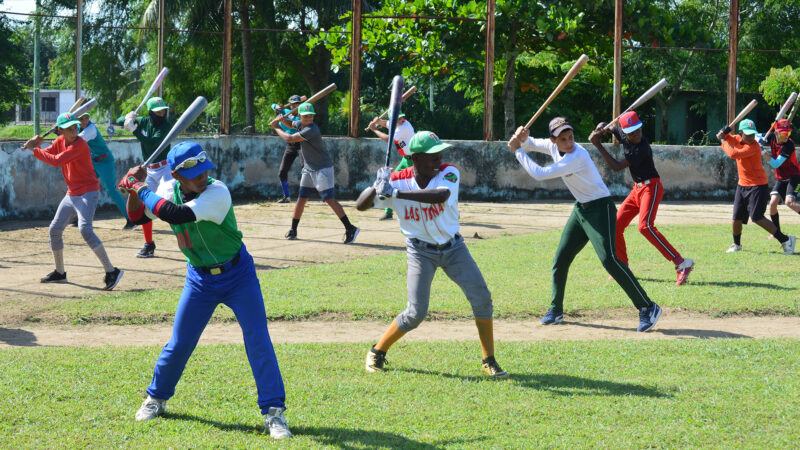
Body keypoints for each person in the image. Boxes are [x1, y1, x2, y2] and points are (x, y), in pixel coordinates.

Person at [120, 141, 291, 439]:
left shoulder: (217, 191)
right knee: (180, 343)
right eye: (194, 175)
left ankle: (274, 412)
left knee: (258, 340)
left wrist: (138, 186)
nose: (202, 177)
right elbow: (136, 218)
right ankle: (156, 398)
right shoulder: (166, 190)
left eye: (204, 171)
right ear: (176, 176)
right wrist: (134, 190)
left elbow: (175, 214)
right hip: (199, 279)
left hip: (238, 275)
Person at [356, 131, 508, 378]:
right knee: (415, 314)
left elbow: (440, 196)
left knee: (482, 298)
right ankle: (377, 351)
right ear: (415, 158)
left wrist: (394, 194)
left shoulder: (449, 172)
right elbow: (360, 205)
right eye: (432, 156)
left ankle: (489, 359)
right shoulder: (397, 180)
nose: (439, 160)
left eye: (440, 155)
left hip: (454, 248)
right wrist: (375, 187)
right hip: (420, 251)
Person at [508, 117, 662, 332]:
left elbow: (540, 174)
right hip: (581, 209)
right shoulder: (552, 146)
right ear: (554, 141)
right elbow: (531, 143)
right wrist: (523, 139)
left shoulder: (577, 155)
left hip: (601, 208)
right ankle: (556, 310)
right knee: (561, 259)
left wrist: (518, 150)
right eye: (563, 139)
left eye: (570, 137)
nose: (569, 142)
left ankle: (648, 306)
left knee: (610, 260)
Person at [589, 111, 694, 286]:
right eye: (632, 132)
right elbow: (615, 129)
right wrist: (604, 127)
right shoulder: (625, 136)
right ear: (626, 133)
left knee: (645, 227)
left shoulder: (641, 148)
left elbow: (617, 167)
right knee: (616, 226)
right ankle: (622, 266)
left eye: (638, 130)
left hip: (651, 188)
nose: (636, 134)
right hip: (636, 189)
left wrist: (597, 144)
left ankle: (682, 263)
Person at [22, 112, 124, 290]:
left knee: (85, 229)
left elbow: (56, 160)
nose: (74, 131)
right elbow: (49, 153)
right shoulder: (60, 141)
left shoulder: (80, 144)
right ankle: (60, 273)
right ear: (60, 131)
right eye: (69, 128)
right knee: (55, 230)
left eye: (75, 127)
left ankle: (112, 271)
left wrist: (34, 149)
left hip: (88, 192)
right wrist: (37, 145)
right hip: (72, 193)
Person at [270, 102, 359, 244]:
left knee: (329, 199)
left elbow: (289, 138)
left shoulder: (311, 129)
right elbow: (290, 124)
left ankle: (350, 228)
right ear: (300, 116)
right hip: (309, 168)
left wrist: (276, 127)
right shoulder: (300, 123)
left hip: (322, 168)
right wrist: (282, 119)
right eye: (305, 116)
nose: (309, 118)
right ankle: (293, 230)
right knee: (301, 198)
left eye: (311, 116)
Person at [716, 119, 795, 254]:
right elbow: (727, 137)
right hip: (742, 184)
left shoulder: (754, 147)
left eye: (753, 134)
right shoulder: (737, 139)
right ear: (741, 133)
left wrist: (722, 140)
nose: (752, 137)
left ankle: (786, 240)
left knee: (757, 217)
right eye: (748, 134)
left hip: (758, 185)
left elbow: (733, 154)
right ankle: (736, 244)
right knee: (736, 217)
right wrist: (724, 133)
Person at [116, 97, 174, 258]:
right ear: (150, 113)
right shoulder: (143, 121)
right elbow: (119, 121)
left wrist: (134, 130)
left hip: (165, 168)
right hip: (148, 170)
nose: (161, 114)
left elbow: (152, 143)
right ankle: (149, 245)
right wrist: (129, 117)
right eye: (158, 112)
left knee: (172, 202)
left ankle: (189, 237)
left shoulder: (166, 126)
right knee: (144, 206)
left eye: (163, 111)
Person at [77, 111, 134, 229]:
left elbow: (76, 141)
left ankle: (130, 219)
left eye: (86, 118)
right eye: (81, 119)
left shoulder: (91, 129)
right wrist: (62, 131)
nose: (84, 121)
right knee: (83, 186)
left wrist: (62, 132)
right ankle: (81, 217)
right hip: (93, 162)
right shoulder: (77, 127)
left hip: (105, 161)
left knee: (111, 190)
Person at [367, 113, 415, 220]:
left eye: (401, 117)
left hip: (414, 160)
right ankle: (388, 212)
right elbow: (387, 124)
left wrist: (374, 129)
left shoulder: (404, 127)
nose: (400, 119)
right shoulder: (395, 124)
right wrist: (379, 122)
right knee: (391, 181)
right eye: (397, 118)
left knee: (414, 186)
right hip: (406, 159)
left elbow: (387, 139)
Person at [761, 119, 800, 236]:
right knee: (772, 204)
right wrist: (757, 140)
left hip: (795, 176)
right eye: (784, 133)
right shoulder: (770, 136)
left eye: (788, 133)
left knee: (789, 202)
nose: (786, 136)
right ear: (776, 133)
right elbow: (754, 136)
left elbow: (776, 164)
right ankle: (777, 233)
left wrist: (762, 151)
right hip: (781, 177)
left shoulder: (789, 145)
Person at [272, 94, 306, 203]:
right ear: (290, 105)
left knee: (305, 169)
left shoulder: (302, 115)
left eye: (297, 104)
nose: (295, 107)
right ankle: (286, 197)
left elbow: (291, 125)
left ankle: (306, 196)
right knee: (282, 172)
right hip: (290, 145)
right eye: (293, 105)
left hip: (301, 143)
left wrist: (282, 120)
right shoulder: (285, 111)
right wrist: (276, 107)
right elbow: (273, 105)